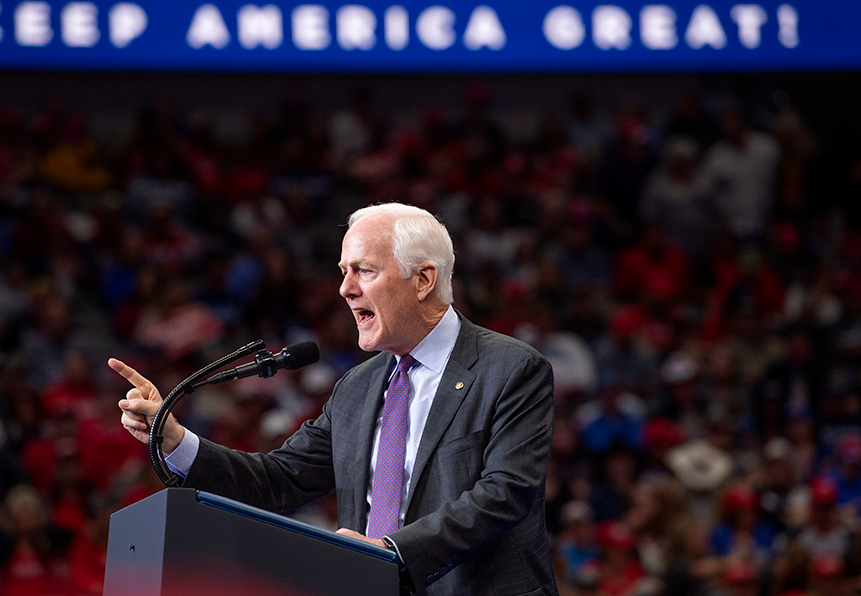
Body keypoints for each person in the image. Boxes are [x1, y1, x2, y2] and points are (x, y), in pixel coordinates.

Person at [110, 202, 557, 596]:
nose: (344, 289)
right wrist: (175, 440)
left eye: (363, 270)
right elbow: (280, 480)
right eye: (343, 272)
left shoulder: (510, 368)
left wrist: (392, 552)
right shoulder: (357, 388)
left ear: (423, 279)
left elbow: (504, 493)